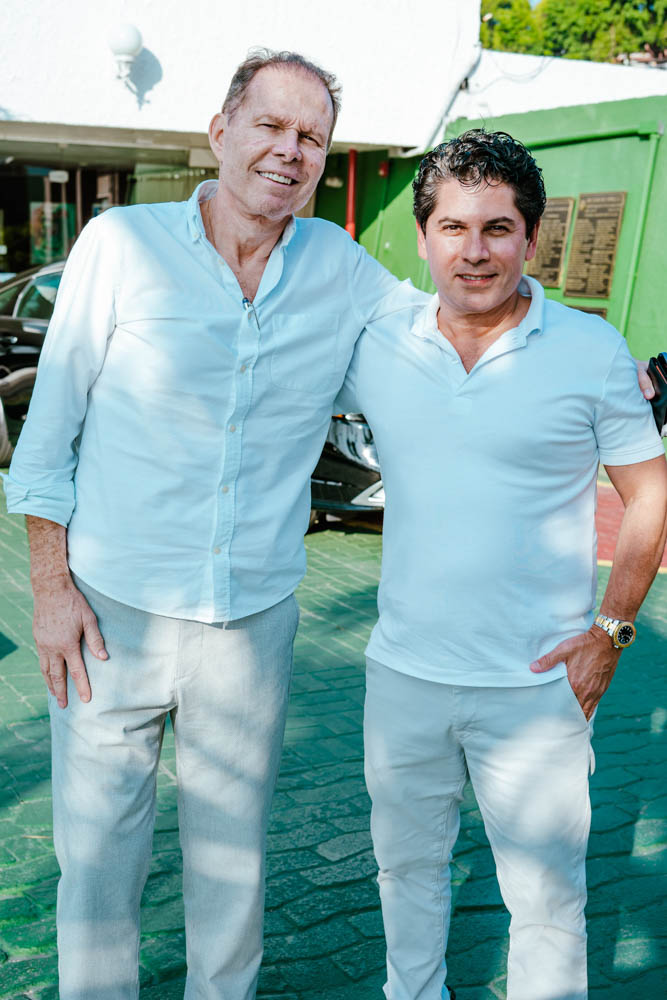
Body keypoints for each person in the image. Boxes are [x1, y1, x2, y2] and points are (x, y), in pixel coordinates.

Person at [1, 49, 416, 999]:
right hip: (109, 615)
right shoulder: (120, 243)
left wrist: (601, 370)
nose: (290, 151)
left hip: (249, 623)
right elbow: (46, 439)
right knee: (97, 862)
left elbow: (440, 337)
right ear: (221, 131)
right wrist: (52, 593)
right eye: (270, 125)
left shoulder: (340, 268)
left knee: (232, 866)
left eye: (311, 137)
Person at [337, 130, 667, 1000]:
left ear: (530, 237)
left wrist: (610, 632)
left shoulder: (589, 350)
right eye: (452, 227)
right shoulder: (377, 342)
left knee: (547, 904)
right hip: (403, 674)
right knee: (405, 873)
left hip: (535, 685)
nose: (473, 251)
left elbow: (649, 494)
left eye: (496, 228)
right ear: (422, 237)